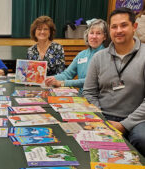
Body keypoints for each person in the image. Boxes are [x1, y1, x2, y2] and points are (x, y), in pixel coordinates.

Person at [83, 7, 145, 157]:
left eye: (124, 25)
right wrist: (101, 119)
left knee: (142, 139)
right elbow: (89, 92)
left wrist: (124, 125)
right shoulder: (99, 58)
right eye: (114, 26)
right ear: (109, 29)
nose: (118, 30)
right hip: (102, 115)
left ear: (134, 27)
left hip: (136, 120)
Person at [45, 19, 108, 94]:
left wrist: (62, 83)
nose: (94, 36)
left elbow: (91, 81)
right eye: (91, 33)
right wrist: (48, 79)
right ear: (87, 35)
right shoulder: (81, 54)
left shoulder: (106, 55)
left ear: (104, 37)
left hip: (98, 99)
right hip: (81, 98)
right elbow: (67, 74)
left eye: (98, 33)